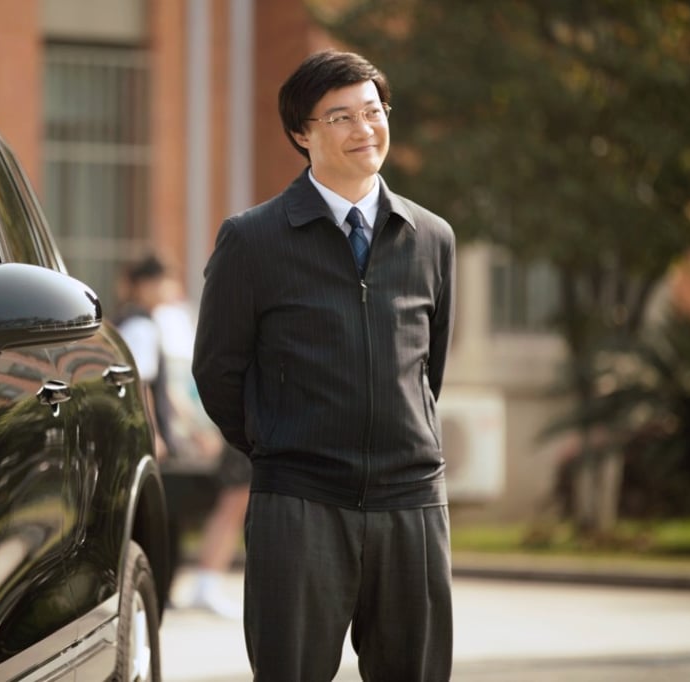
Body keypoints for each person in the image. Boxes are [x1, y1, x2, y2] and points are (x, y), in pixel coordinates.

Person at [192, 49, 456, 681]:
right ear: (301, 134)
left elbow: (428, 369)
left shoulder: (431, 238)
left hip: (411, 504)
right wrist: (279, 445)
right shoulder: (253, 239)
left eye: (374, 111)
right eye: (341, 117)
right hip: (300, 503)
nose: (365, 129)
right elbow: (217, 372)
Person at [116, 255, 251, 619]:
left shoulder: (146, 323)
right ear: (144, 285)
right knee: (173, 508)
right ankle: (177, 585)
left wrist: (194, 428)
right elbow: (141, 385)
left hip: (163, 436)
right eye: (163, 281)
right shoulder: (140, 326)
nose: (170, 290)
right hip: (151, 438)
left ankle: (169, 587)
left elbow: (167, 391)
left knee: (172, 512)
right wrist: (155, 433)